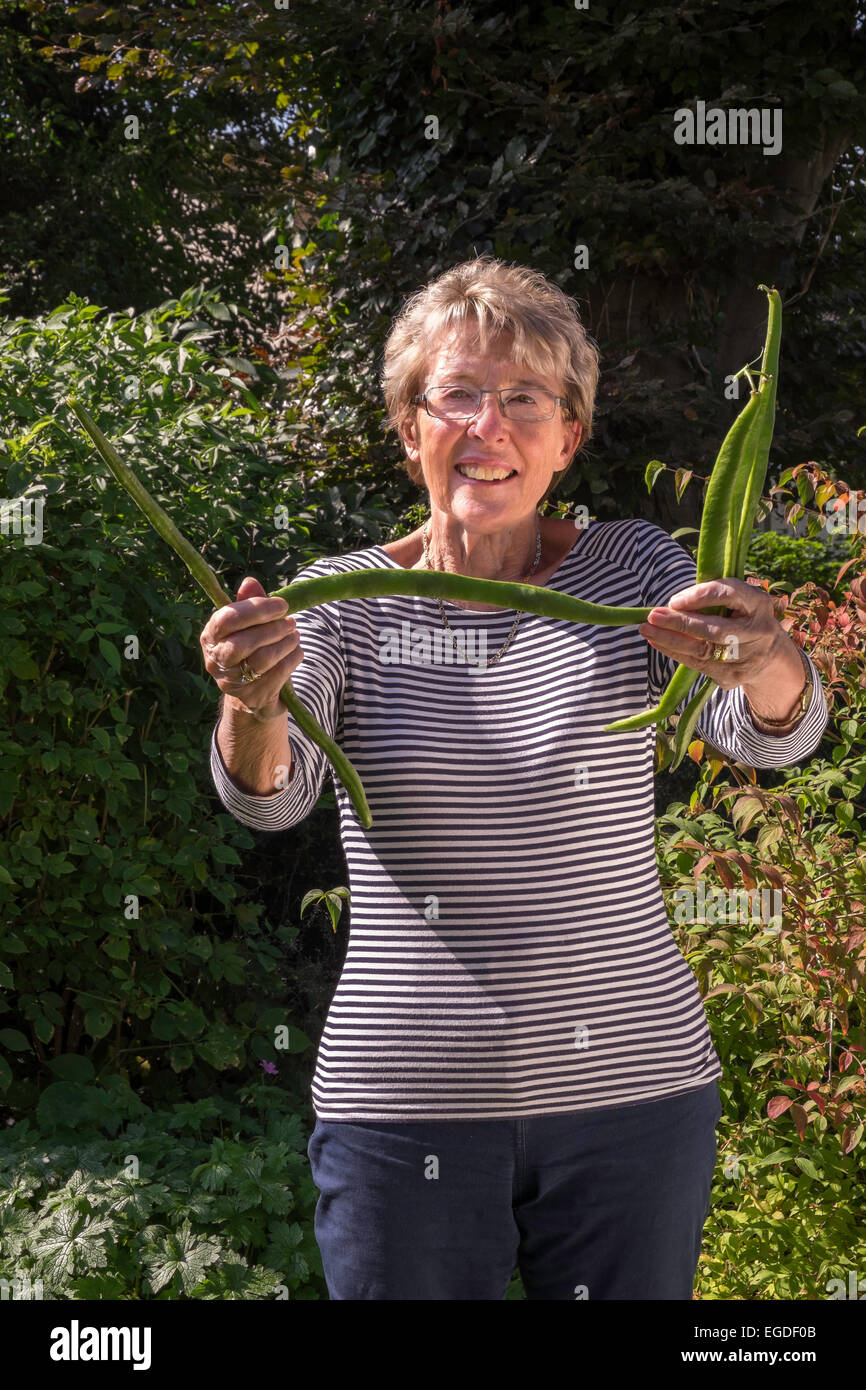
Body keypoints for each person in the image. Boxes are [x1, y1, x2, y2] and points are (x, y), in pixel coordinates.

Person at [202, 255, 829, 1300]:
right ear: (410, 430)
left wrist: (763, 656)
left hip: (633, 1095)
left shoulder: (631, 571)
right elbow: (270, 794)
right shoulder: (342, 600)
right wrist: (252, 699)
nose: (487, 423)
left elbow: (771, 734)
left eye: (525, 398)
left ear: (566, 438)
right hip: (404, 1105)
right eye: (455, 393)